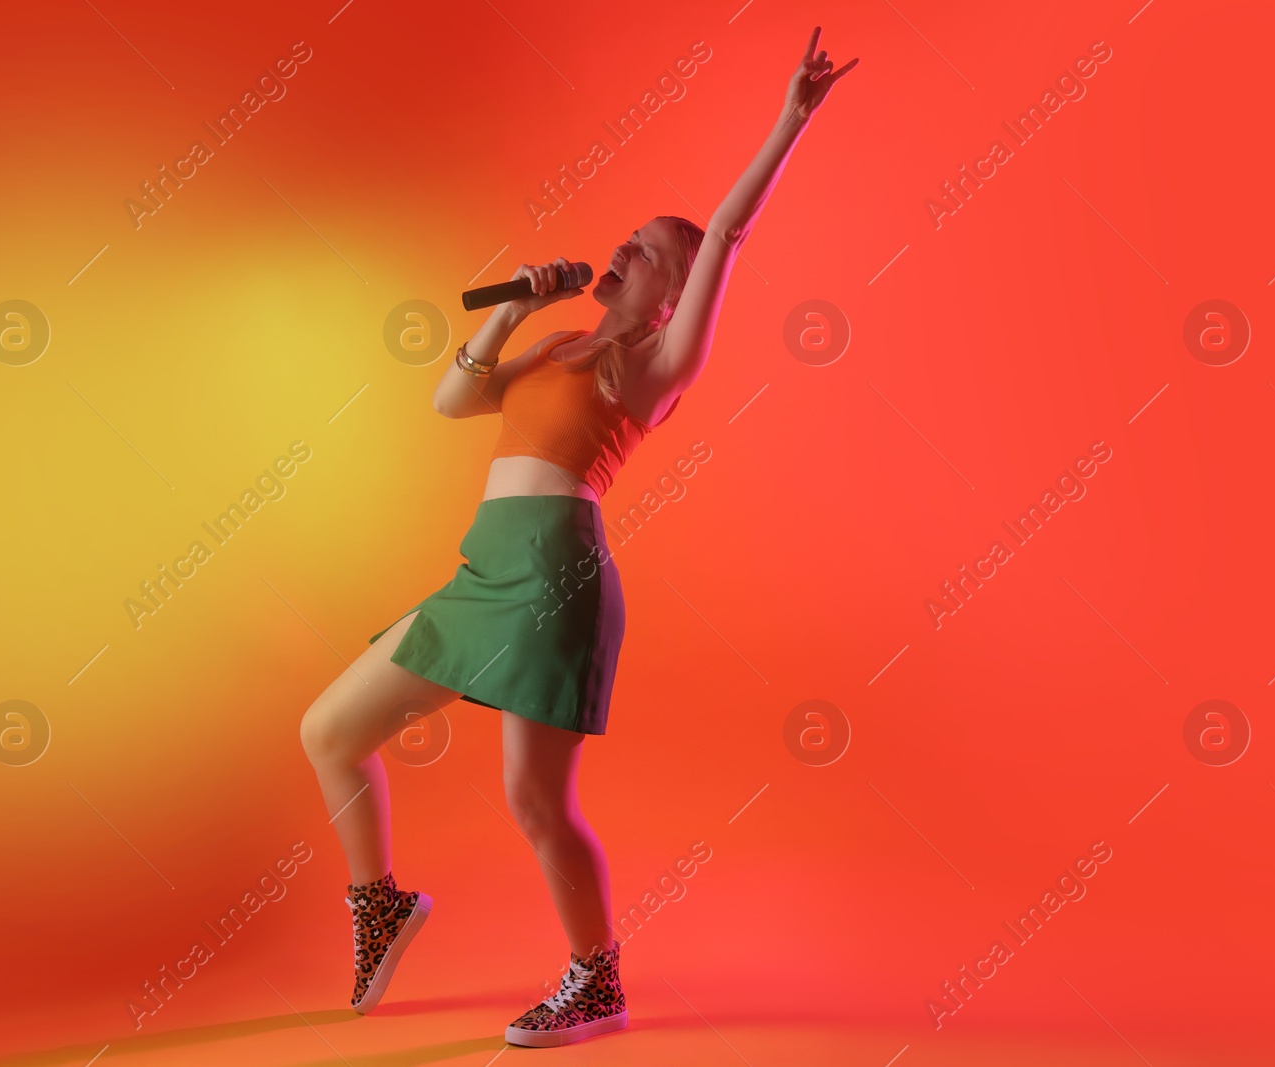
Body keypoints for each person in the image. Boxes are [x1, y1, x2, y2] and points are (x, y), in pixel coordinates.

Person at [299, 25, 857, 1049]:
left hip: (555, 577)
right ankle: (379, 905)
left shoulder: (653, 368)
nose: (625, 247)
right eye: (632, 237)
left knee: (531, 799)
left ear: (672, 294)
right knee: (330, 729)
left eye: (648, 249)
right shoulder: (560, 343)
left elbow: (726, 233)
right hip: (485, 568)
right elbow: (450, 400)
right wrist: (513, 307)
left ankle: (595, 980)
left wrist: (789, 118)